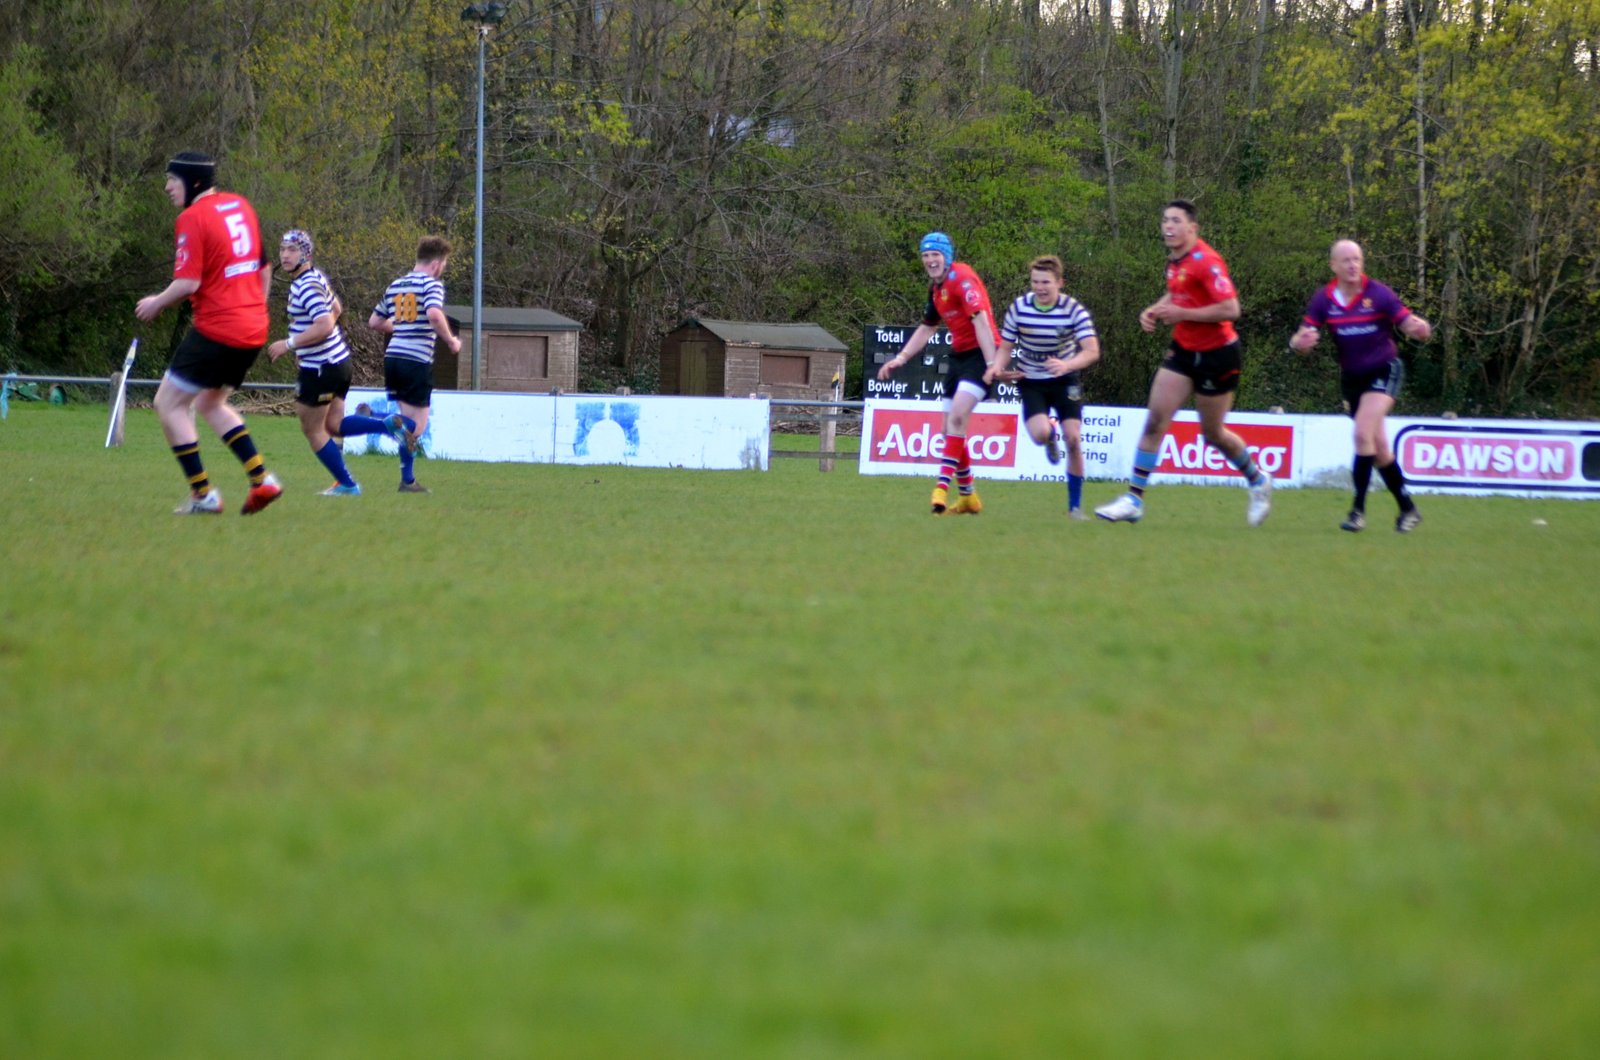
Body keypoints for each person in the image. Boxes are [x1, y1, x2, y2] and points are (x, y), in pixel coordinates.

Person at [1095, 200, 1273, 526]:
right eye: (1165, 220)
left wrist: (1181, 313)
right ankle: (1134, 499)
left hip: (1218, 355)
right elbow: (1177, 293)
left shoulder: (1208, 262)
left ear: (1193, 228)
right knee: (1154, 421)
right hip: (1183, 351)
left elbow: (1231, 309)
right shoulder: (1175, 261)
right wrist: (1155, 309)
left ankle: (1258, 480)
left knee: (1213, 434)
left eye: (1176, 220)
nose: (1168, 226)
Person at [135, 151, 282, 516]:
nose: (168, 187)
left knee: (168, 403)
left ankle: (203, 495)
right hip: (253, 327)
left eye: (173, 179)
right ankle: (262, 479)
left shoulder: (192, 217)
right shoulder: (241, 206)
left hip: (219, 327)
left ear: (193, 181)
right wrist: (254, 310)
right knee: (210, 404)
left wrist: (156, 303)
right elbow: (264, 270)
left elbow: (188, 283)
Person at [1290, 239, 1431, 532]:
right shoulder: (1324, 299)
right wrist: (1299, 343)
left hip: (1385, 369)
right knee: (1379, 449)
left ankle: (1357, 512)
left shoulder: (1378, 293)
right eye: (1346, 260)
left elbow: (1407, 322)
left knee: (1361, 433)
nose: (1353, 265)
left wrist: (1419, 329)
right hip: (1353, 379)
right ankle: (1408, 509)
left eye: (1357, 259)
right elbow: (1301, 337)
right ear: (1333, 265)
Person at [265, 229, 410, 497]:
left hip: (321, 368)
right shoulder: (316, 277)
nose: (285, 255)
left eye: (292, 250)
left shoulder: (306, 285)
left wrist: (290, 344)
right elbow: (336, 310)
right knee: (334, 426)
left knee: (313, 431)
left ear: (305, 254)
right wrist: (307, 344)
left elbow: (324, 324)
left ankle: (347, 484)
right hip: (339, 363)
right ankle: (386, 424)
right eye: (282, 249)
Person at [876, 232, 1004, 514]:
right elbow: (927, 327)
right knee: (949, 429)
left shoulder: (962, 279)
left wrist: (992, 364)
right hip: (958, 357)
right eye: (925, 255)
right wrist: (901, 358)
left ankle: (941, 488)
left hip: (981, 355)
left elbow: (981, 322)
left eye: (935, 254)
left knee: (957, 416)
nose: (930, 260)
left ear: (947, 256)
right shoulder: (936, 290)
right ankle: (968, 496)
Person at [996, 255, 1101, 519]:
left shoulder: (1073, 310)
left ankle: (1075, 508)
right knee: (1039, 434)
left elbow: (1091, 351)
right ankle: (1050, 434)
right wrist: (997, 370)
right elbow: (1005, 348)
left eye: (1046, 282)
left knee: (1074, 439)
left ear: (1059, 282)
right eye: (1035, 282)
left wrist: (1067, 365)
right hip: (1031, 381)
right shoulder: (1019, 308)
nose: (1040, 288)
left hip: (1065, 380)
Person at [367, 237, 460, 494]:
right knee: (416, 427)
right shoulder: (431, 284)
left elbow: (374, 322)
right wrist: (451, 341)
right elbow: (434, 314)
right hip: (416, 360)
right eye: (444, 264)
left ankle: (407, 481)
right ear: (436, 264)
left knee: (406, 424)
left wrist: (399, 327)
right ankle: (375, 419)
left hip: (393, 358)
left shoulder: (396, 284)